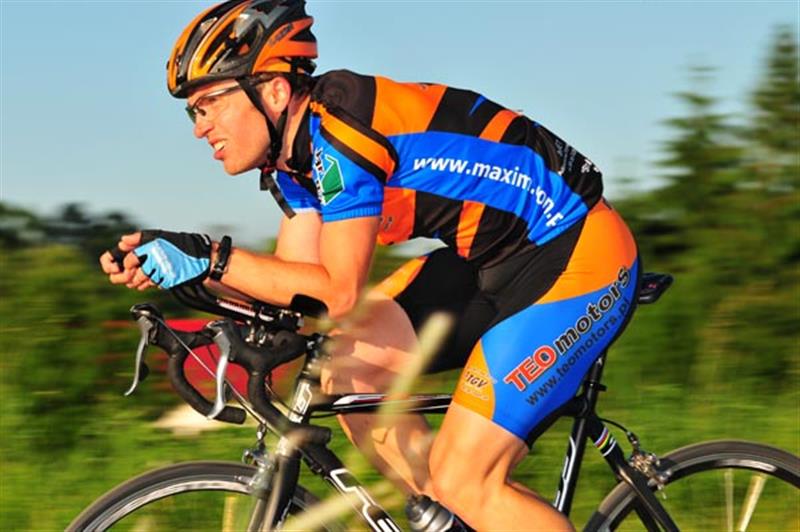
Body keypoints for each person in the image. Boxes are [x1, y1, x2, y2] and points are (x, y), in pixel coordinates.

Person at [100, 1, 640, 529]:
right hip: (487, 261)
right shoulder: (293, 162)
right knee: (347, 373)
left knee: (465, 479)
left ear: (274, 91)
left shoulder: (342, 134)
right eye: (193, 110)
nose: (200, 127)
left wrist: (211, 256)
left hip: (577, 253)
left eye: (209, 103)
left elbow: (336, 292)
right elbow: (297, 293)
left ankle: (470, 498)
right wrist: (192, 278)